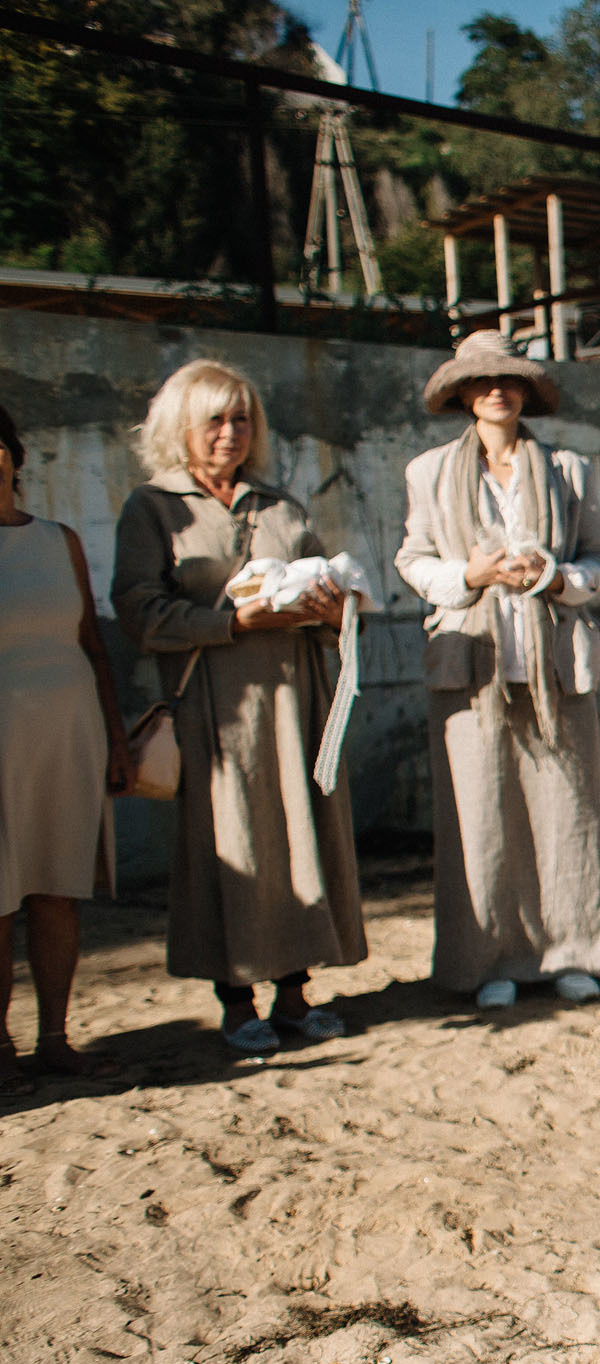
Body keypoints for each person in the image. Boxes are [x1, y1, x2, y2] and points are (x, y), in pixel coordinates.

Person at [112, 360, 365, 1055]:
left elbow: (335, 596)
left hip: (295, 701)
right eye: (214, 421)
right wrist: (231, 624)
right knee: (230, 846)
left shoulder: (281, 506)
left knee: (299, 840)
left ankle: (295, 990)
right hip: (214, 709)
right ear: (182, 429)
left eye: (241, 419)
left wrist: (333, 605)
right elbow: (137, 610)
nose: (230, 434)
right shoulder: (153, 508)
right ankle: (236, 997)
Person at [394, 332, 600, 1009]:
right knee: (481, 813)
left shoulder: (568, 469)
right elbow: (413, 559)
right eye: (483, 381)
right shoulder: (429, 472)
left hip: (553, 657)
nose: (497, 391)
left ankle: (571, 952)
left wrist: (553, 576)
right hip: (472, 661)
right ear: (463, 393)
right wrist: (470, 574)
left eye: (510, 380)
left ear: (525, 392)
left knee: (566, 810)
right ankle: (487, 958)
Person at [0, 401, 130, 1093]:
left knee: (56, 892)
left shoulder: (59, 540)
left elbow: (92, 645)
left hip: (67, 736)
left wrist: (115, 737)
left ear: (13, 456)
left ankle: (55, 1039)